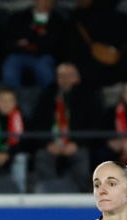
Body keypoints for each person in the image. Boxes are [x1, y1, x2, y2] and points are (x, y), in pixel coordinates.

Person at [30, 62, 101, 192]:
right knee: (42, 156)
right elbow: (37, 124)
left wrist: (77, 144)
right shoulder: (47, 96)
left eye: (70, 75)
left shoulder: (89, 97)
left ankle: (79, 193)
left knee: (82, 157)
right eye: (62, 75)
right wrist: (47, 143)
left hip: (77, 145)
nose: (65, 79)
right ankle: (49, 192)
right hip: (51, 144)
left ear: (78, 77)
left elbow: (94, 125)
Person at [1, 0, 67, 91]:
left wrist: (38, 42)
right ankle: (9, 98)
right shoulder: (20, 16)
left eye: (48, 1)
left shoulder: (58, 21)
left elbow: (57, 43)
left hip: (43, 55)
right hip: (20, 54)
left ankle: (49, 97)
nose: (45, 3)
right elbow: (13, 39)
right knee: (11, 64)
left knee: (44, 68)